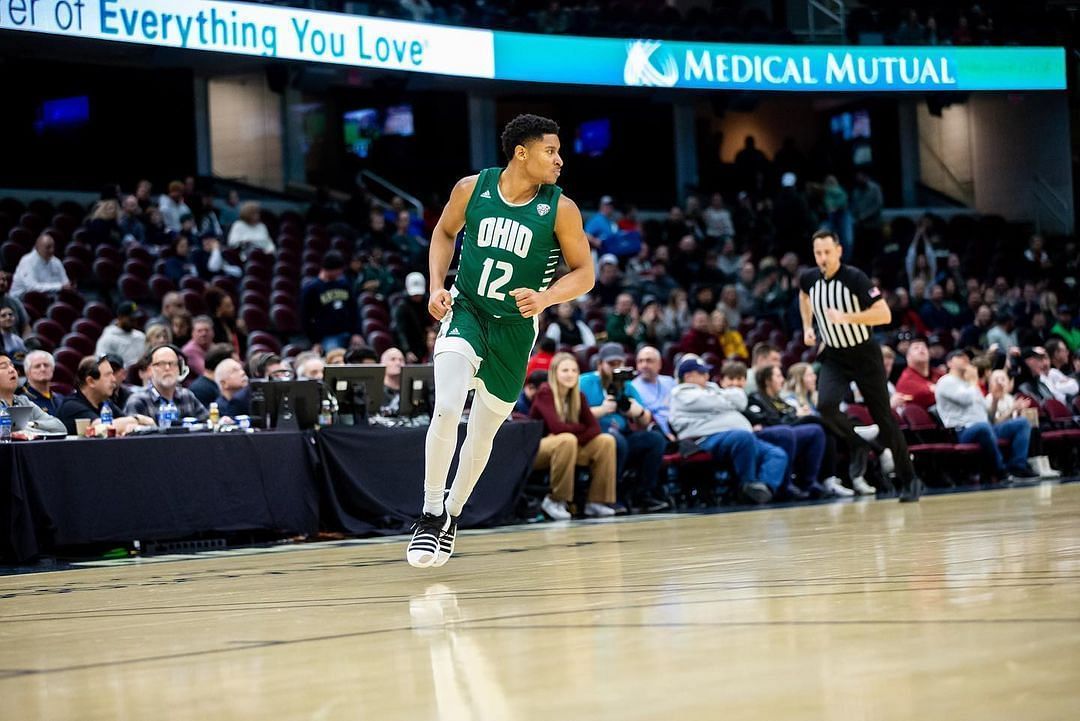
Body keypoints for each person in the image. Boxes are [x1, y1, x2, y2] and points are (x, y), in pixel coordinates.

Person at [408, 114, 595, 569]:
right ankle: (431, 512)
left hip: (514, 330)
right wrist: (437, 284)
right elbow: (443, 233)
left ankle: (452, 515)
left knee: (482, 433)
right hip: (466, 311)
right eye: (551, 151)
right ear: (522, 153)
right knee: (447, 407)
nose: (559, 160)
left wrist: (547, 296)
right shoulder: (472, 188)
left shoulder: (561, 209)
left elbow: (585, 274)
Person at [799, 229, 920, 501]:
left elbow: (884, 314)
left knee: (884, 421)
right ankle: (859, 444)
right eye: (818, 252)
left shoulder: (855, 278)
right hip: (834, 355)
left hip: (864, 355)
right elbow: (804, 297)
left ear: (839, 251)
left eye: (827, 252)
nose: (822, 258)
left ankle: (910, 479)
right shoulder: (808, 278)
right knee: (827, 407)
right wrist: (808, 327)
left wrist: (847, 317)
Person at [669, 357, 788, 504]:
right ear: (688, 376)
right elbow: (726, 399)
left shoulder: (710, 390)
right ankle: (747, 483)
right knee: (743, 437)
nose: (707, 376)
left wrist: (720, 398)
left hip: (733, 437)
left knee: (777, 454)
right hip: (704, 440)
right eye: (702, 373)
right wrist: (724, 398)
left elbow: (740, 399)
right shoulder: (681, 394)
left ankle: (763, 489)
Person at [580, 342, 668, 512]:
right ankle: (613, 496)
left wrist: (639, 412)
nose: (615, 369)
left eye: (619, 364)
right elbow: (574, 414)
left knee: (655, 440)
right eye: (611, 364)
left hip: (622, 435)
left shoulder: (627, 385)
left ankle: (643, 494)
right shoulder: (585, 382)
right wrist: (602, 410)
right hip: (595, 435)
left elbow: (645, 421)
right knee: (616, 441)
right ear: (600, 364)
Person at [529, 352, 618, 520]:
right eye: (565, 370)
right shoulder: (545, 393)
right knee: (566, 439)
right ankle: (555, 500)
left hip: (567, 446)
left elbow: (595, 429)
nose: (570, 374)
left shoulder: (578, 396)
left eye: (574, 370)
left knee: (605, 441)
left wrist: (576, 436)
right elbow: (557, 428)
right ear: (554, 373)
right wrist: (580, 429)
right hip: (536, 450)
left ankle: (596, 501)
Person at [934, 350, 1039, 481]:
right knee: (983, 427)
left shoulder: (968, 384)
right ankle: (1001, 470)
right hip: (962, 431)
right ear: (949, 362)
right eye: (960, 357)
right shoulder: (946, 381)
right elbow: (965, 399)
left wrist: (994, 400)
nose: (965, 359)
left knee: (1022, 423)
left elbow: (987, 414)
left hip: (985, 427)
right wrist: (973, 381)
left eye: (966, 357)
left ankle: (1018, 466)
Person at [58, 355, 153, 436]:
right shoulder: (71, 406)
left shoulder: (105, 403)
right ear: (91, 381)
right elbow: (104, 428)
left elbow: (127, 424)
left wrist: (130, 424)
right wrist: (137, 419)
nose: (114, 380)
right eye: (108, 375)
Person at [124, 345, 209, 423]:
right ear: (150, 370)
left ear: (179, 369)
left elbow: (208, 427)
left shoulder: (187, 396)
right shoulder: (138, 401)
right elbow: (132, 436)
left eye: (172, 364)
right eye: (161, 364)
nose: (167, 368)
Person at [301, 251, 361, 353]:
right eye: (338, 270)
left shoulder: (344, 284)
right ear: (329, 269)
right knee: (336, 363)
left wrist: (357, 333)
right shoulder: (312, 288)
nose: (340, 273)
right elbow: (305, 318)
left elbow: (354, 310)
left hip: (348, 333)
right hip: (328, 337)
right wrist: (315, 341)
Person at [0, 353, 66, 436]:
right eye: (3, 367)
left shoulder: (23, 401)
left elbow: (59, 427)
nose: (12, 370)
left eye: (12, 366)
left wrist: (32, 425)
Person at [630, 345, 676, 440]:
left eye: (649, 361)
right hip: (654, 434)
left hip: (677, 427)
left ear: (659, 364)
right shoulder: (631, 387)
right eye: (640, 361)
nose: (644, 365)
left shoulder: (670, 382)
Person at [10, 231, 72, 299]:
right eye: (48, 247)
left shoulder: (56, 261)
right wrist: (59, 286)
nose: (52, 250)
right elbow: (32, 288)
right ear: (37, 248)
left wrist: (65, 286)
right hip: (22, 299)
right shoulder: (27, 261)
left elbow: (66, 284)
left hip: (46, 297)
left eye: (53, 247)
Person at [895, 338, 944, 412]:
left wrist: (935, 389)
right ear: (908, 357)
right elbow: (923, 396)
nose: (921, 349)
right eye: (916, 348)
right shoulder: (906, 380)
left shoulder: (938, 373)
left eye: (924, 347)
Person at [393, 272, 432, 361]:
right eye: (414, 295)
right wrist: (407, 351)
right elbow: (400, 332)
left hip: (423, 343)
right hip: (409, 345)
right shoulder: (401, 307)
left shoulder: (426, 302)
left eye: (419, 294)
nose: (417, 297)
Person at [95, 302, 147, 369]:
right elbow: (101, 363)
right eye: (131, 319)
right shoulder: (107, 338)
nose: (134, 322)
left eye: (136, 319)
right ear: (120, 317)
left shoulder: (141, 336)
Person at [17, 350, 62, 414]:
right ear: (27, 372)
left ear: (53, 369)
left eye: (46, 365)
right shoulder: (23, 402)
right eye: (37, 366)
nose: (43, 369)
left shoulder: (60, 398)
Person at [0, 271, 30, 337]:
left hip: (15, 343)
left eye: (4, 280)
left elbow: (25, 326)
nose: (1, 282)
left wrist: (24, 342)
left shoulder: (14, 301)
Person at [380, 346, 405, 416]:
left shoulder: (408, 389)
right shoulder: (376, 390)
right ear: (382, 363)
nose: (398, 363)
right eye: (392, 359)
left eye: (401, 360)